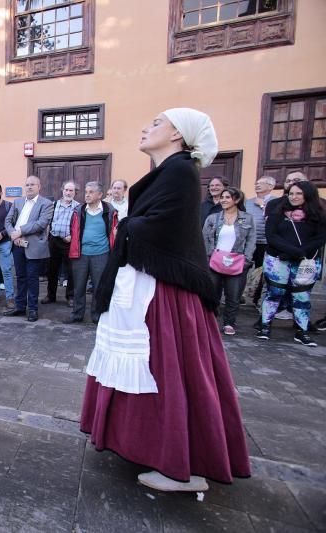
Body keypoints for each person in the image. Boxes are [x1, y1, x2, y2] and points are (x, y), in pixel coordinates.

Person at [81, 108, 250, 492]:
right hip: (152, 282)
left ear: (178, 134)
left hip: (164, 289)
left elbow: (163, 226)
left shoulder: (179, 170)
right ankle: (156, 449)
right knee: (161, 367)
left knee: (168, 371)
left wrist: (126, 225)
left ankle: (183, 467)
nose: (145, 126)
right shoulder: (171, 171)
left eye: (156, 123)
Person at [256, 181, 326, 346]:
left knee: (302, 297)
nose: (294, 197)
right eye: (291, 193)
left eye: (299, 194)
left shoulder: (320, 214)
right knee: (274, 293)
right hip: (278, 259)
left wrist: (299, 252)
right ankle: (265, 326)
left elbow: (320, 238)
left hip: (305, 262)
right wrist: (291, 251)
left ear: (308, 195)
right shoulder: (278, 211)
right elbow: (271, 235)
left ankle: (302, 331)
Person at [203, 187, 256, 335]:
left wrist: (247, 259)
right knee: (212, 293)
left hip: (237, 261)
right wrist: (207, 257)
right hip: (215, 260)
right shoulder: (213, 218)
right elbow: (204, 238)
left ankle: (229, 323)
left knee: (233, 295)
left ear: (236, 200)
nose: (224, 200)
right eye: (222, 197)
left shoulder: (247, 218)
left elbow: (251, 240)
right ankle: (210, 321)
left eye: (227, 197)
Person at [66, 182, 118, 324]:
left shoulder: (109, 210)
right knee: (79, 286)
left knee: (98, 287)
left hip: (102, 254)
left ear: (100, 195)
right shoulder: (79, 210)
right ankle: (77, 315)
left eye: (91, 192)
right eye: (86, 191)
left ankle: (97, 315)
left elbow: (113, 232)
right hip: (81, 254)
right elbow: (73, 229)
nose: (87, 195)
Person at [3, 175, 54, 322]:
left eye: (33, 184)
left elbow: (41, 223)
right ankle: (20, 307)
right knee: (20, 277)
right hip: (17, 244)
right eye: (27, 185)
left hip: (33, 246)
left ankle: (32, 309)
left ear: (39, 187)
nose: (29, 187)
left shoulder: (46, 204)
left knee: (32, 278)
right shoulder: (17, 201)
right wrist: (13, 234)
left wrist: (21, 231)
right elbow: (8, 220)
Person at [43, 181, 79, 307]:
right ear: (62, 190)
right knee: (52, 270)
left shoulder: (78, 207)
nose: (68, 193)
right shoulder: (54, 204)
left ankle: (70, 296)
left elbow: (80, 226)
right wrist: (47, 238)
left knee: (71, 271)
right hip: (54, 240)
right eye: (66, 190)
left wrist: (73, 237)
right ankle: (51, 295)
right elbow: (48, 222)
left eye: (71, 190)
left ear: (75, 192)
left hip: (69, 242)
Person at [244, 176, 277, 308]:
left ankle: (258, 299)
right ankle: (241, 295)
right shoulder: (248, 202)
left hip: (266, 242)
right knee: (243, 267)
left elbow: (274, 220)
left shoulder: (276, 202)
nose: (257, 185)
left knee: (262, 271)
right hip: (249, 241)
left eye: (261, 184)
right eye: (256, 183)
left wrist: (263, 206)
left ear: (270, 186)